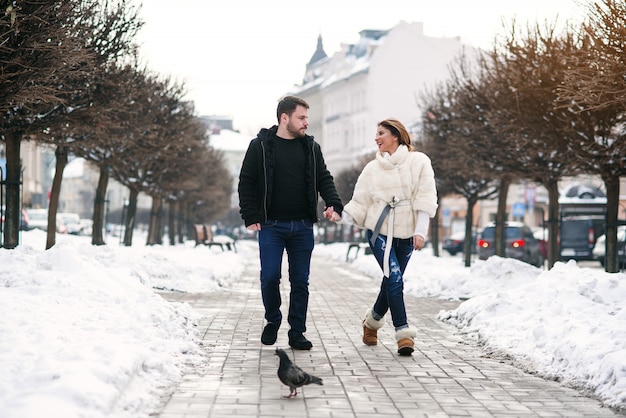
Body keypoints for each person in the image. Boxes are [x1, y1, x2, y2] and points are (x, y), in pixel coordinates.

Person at [238, 95, 343, 350]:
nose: (307, 123)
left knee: (300, 281)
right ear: (285, 118)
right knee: (270, 277)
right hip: (271, 226)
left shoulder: (311, 147)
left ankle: (297, 332)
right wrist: (250, 215)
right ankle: (273, 319)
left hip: (303, 227)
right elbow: (246, 181)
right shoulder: (260, 146)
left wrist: (334, 204)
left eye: (307, 117)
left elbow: (324, 177)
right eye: (302, 117)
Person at [325, 118, 437, 355]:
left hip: (407, 233)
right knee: (395, 280)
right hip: (379, 232)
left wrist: (420, 231)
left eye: (381, 133)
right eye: (376, 134)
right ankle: (403, 333)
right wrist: (340, 217)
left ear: (396, 135)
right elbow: (359, 203)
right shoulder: (371, 168)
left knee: (389, 283)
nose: (376, 138)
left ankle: (371, 323)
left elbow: (426, 197)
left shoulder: (419, 162)